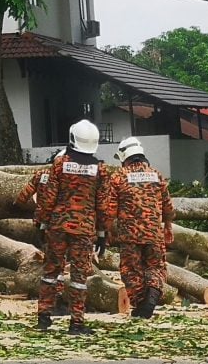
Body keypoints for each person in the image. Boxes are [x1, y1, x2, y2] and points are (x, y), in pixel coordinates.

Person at [35, 119, 112, 336]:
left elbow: (47, 198)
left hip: (58, 226)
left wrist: (40, 222)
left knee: (51, 271)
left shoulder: (59, 165)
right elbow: (103, 206)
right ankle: (76, 324)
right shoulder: (100, 169)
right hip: (84, 230)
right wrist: (103, 233)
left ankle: (43, 317)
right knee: (79, 277)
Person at [106, 137, 175, 319]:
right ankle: (151, 295)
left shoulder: (118, 177)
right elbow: (168, 206)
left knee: (131, 270)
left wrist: (107, 231)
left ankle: (141, 304)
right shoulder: (156, 174)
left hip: (129, 235)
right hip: (154, 233)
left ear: (124, 156)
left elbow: (110, 210)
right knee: (156, 267)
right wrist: (168, 226)